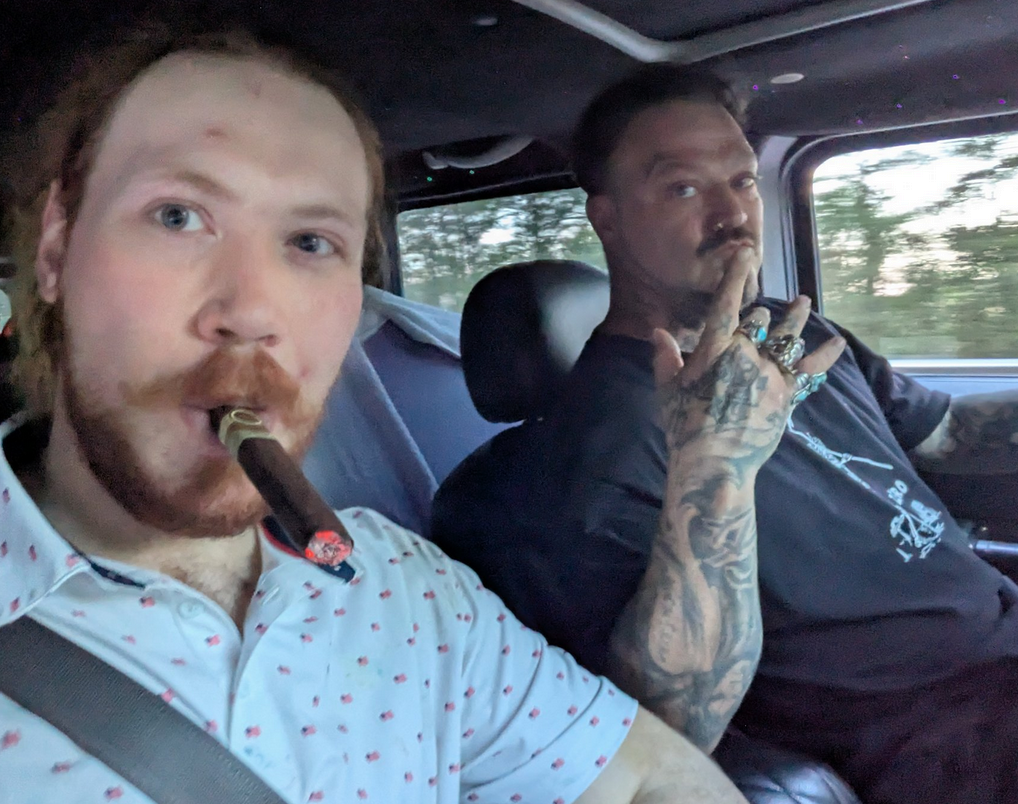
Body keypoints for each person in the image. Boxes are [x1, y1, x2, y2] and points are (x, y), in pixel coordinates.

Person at [0, 29, 751, 804]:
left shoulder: (405, 586)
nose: (252, 312)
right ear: (56, 250)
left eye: (310, 241)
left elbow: (652, 777)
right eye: (177, 216)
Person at [431, 64, 1018, 804]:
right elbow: (673, 724)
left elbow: (947, 436)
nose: (733, 213)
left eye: (742, 181)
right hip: (938, 739)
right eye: (683, 188)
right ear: (607, 220)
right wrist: (720, 462)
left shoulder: (795, 335)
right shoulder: (582, 455)